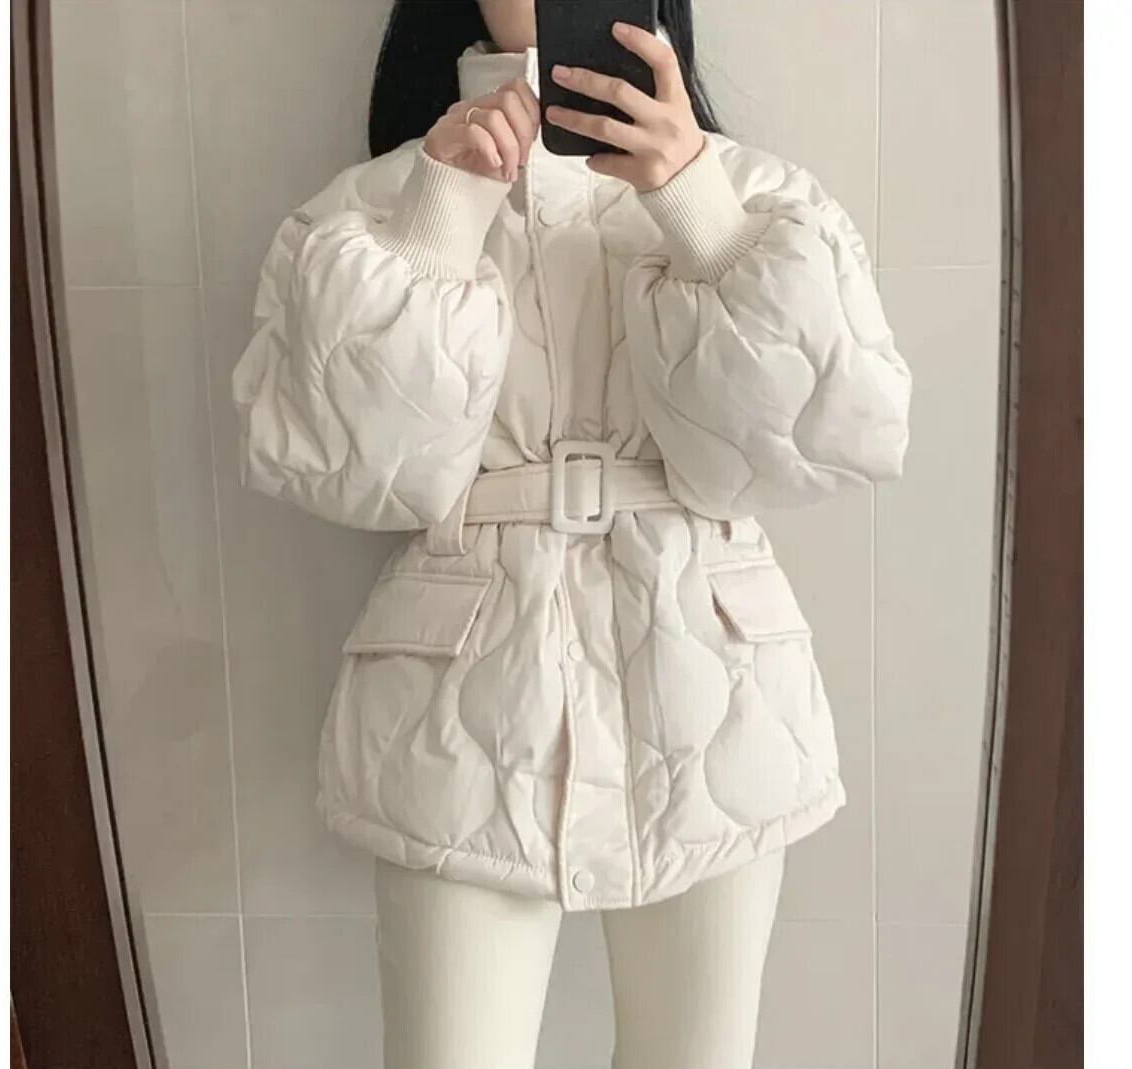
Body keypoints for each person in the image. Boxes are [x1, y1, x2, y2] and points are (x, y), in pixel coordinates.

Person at [231, 1, 912, 1065]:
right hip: (463, 709)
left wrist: (697, 207)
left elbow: (828, 438)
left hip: (711, 689)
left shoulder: (757, 195)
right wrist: (439, 221)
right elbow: (354, 470)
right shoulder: (374, 205)